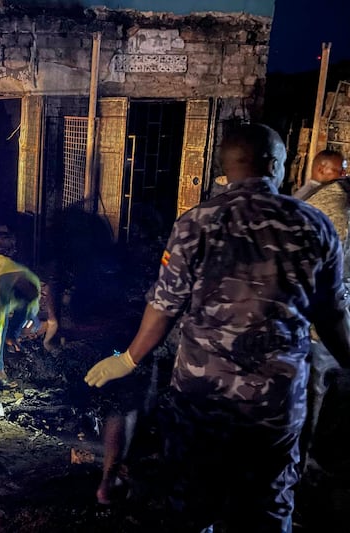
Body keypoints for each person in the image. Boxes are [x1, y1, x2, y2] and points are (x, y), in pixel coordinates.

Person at [84, 123, 350, 531]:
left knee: (192, 503)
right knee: (266, 505)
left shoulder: (196, 222)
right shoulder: (314, 225)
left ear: (226, 169)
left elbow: (164, 305)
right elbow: (332, 315)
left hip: (202, 401)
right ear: (276, 165)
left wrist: (130, 358)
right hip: (274, 404)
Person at [296, 150, 349, 472]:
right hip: (320, 323)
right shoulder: (332, 206)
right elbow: (327, 288)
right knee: (317, 391)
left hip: (313, 318)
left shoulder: (312, 198)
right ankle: (305, 465)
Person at [0, 254, 56, 391]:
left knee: (23, 312)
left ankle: (11, 337)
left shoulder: (33, 282)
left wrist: (33, 318)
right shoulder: (2, 291)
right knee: (2, 326)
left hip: (1, 267)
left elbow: (31, 304)